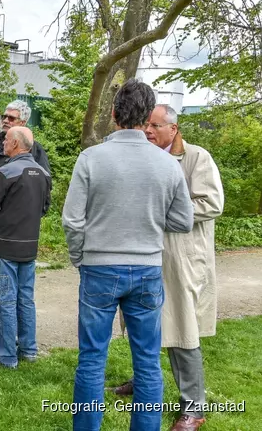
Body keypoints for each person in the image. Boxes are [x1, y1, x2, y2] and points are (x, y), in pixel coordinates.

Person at [62, 79, 194, 431]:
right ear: (146, 117)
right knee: (148, 362)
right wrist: (148, 216)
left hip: (99, 268)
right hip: (147, 268)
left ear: (113, 113)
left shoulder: (91, 158)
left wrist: (80, 257)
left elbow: (72, 219)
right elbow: (183, 220)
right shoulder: (167, 164)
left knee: (91, 359)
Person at [110, 104, 224, 431]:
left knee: (181, 332)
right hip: (145, 256)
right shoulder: (144, 156)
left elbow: (212, 203)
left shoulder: (196, 158)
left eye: (156, 126)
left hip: (180, 261)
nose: (148, 130)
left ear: (173, 129)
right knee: (142, 320)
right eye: (146, 124)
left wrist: (159, 211)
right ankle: (144, 381)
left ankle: (194, 407)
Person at [0, 99, 50, 328]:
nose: (5, 120)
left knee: (13, 277)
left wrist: (36, 214)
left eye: (11, 118)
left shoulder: (33, 149)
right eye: (5, 116)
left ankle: (9, 317)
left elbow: (44, 183)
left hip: (16, 225)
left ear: (23, 122)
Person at [0, 127, 51, 368]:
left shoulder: (6, 171)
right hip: (29, 244)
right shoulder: (43, 172)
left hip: (5, 244)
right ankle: (29, 350)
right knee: (26, 299)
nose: (3, 144)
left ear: (17, 144)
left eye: (7, 141)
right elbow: (44, 207)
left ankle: (6, 356)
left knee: (6, 302)